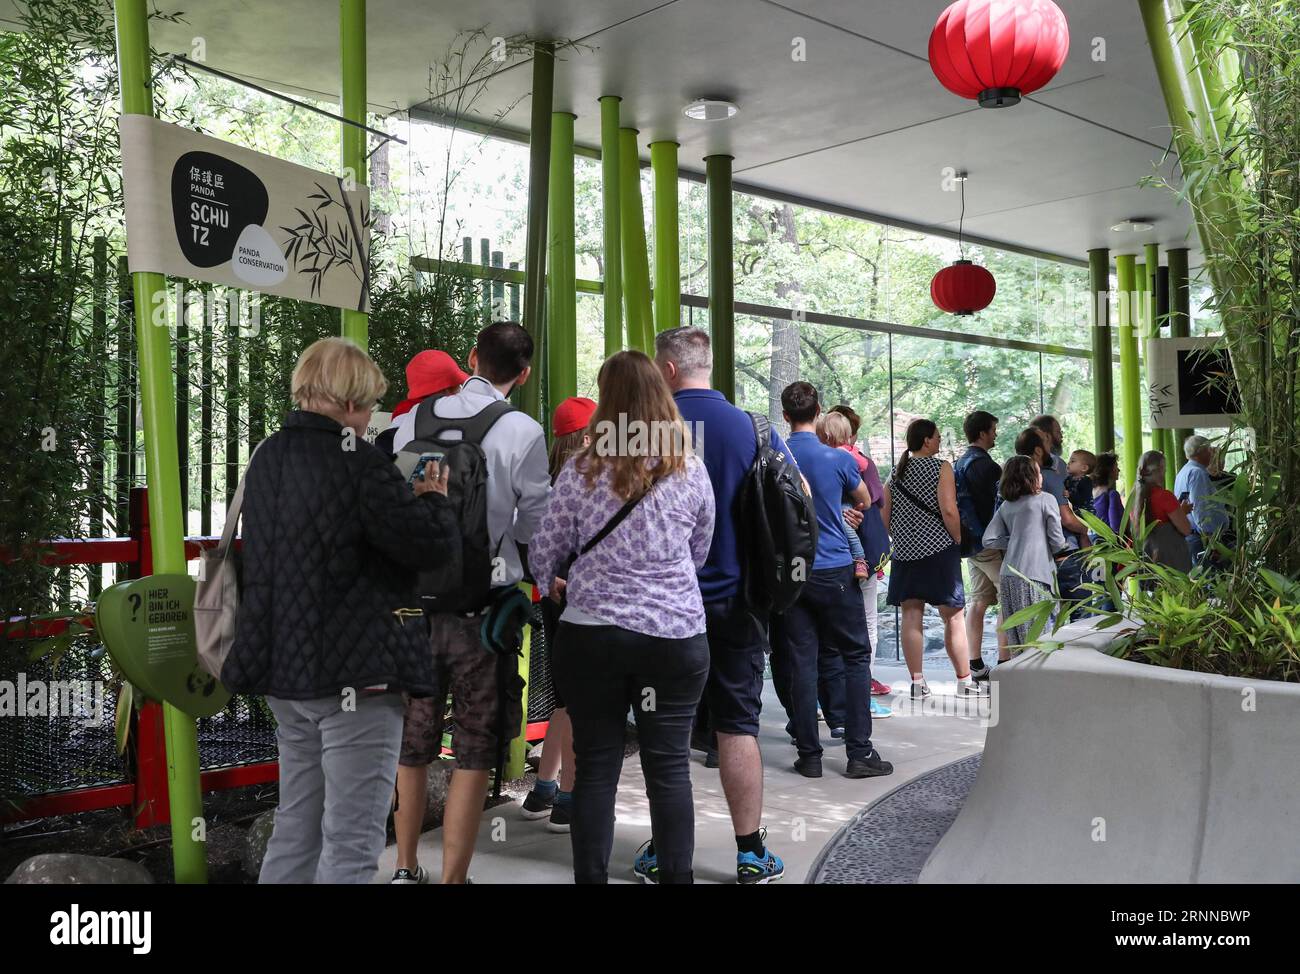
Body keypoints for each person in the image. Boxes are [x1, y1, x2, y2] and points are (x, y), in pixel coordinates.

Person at [221, 336, 457, 884]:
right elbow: (427, 550)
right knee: (350, 843)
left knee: (297, 823)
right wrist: (433, 500)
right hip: (358, 681)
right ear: (351, 402)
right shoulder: (361, 465)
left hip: (286, 676)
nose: (370, 415)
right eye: (370, 404)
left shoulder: (268, 456)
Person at [530, 350, 715, 885]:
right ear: (662, 396)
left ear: (606, 399)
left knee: (595, 768)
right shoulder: (690, 468)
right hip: (675, 637)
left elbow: (544, 552)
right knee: (669, 768)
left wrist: (558, 584)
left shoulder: (580, 470)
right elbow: (700, 550)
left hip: (592, 638)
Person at [390, 321, 550, 885]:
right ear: (524, 375)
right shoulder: (524, 431)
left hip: (413, 609)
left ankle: (406, 869)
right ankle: (454, 879)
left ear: (471, 357)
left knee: (412, 744)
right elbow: (534, 522)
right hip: (481, 613)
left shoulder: (408, 421)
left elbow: (397, 502)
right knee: (474, 749)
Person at [654, 326, 787, 883]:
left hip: (661, 607)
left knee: (664, 734)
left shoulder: (646, 430)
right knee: (738, 725)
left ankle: (666, 854)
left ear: (667, 369)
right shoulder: (757, 428)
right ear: (707, 364)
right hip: (737, 600)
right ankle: (751, 852)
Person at [769, 381, 893, 781]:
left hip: (790, 573)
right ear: (818, 411)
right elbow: (865, 499)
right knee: (855, 655)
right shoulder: (836, 459)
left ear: (785, 415)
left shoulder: (773, 459)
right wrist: (843, 509)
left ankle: (809, 755)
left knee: (801, 662)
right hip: (835, 567)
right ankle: (859, 752)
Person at [519, 396, 597, 834]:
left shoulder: (544, 484)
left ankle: (543, 788)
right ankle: (568, 799)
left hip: (551, 598)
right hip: (580, 601)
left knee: (564, 698)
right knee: (578, 701)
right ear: (587, 436)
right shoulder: (587, 485)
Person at [882, 418, 984, 699]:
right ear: (926, 440)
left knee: (911, 614)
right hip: (939, 550)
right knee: (953, 617)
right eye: (937, 436)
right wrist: (958, 539)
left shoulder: (895, 472)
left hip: (904, 553)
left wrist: (902, 537)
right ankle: (964, 683)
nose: (940, 441)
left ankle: (917, 684)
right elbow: (949, 510)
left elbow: (885, 516)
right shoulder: (940, 468)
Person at [815, 409, 893, 720]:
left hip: (828, 558)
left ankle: (830, 700)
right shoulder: (860, 462)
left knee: (829, 632)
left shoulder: (818, 462)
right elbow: (874, 498)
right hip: (859, 556)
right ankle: (859, 697)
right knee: (866, 624)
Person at [981, 456, 1068, 649]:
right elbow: (1057, 540)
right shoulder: (1046, 500)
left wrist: (1015, 541)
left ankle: (1018, 677)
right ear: (1032, 477)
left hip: (1009, 576)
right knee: (1039, 639)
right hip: (1035, 577)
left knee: (1017, 640)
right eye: (1038, 472)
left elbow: (988, 539)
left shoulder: (1006, 505)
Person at [953, 410, 1006, 676]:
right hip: (989, 542)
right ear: (983, 432)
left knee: (979, 600)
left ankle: (974, 663)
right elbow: (997, 506)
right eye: (994, 429)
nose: (996, 434)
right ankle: (1006, 661)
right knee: (1009, 595)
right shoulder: (987, 466)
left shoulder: (960, 462)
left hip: (970, 543)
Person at [1020, 425, 1090, 613]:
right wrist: (1085, 531)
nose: (1050, 442)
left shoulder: (1012, 479)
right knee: (1080, 611)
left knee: (1045, 617)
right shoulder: (1049, 477)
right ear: (1038, 450)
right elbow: (1066, 519)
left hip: (1029, 559)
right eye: (1046, 439)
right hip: (1063, 553)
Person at [373, 349, 467, 457]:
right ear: (445, 391)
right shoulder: (455, 428)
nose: (460, 391)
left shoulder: (390, 436)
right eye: (457, 386)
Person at [1127, 449, 1194, 572]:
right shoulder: (1164, 496)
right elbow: (1186, 529)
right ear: (1161, 468)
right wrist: (1182, 511)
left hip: (1147, 560)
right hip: (1170, 562)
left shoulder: (1133, 497)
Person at [1173, 434, 1227, 566]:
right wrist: (1211, 540)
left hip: (1191, 536)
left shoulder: (1183, 472)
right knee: (1210, 580)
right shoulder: (1198, 473)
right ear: (1201, 452)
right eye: (1209, 450)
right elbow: (1201, 508)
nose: (1211, 454)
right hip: (1201, 539)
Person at [1090, 452, 1124, 538]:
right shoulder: (1112, 495)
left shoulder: (1089, 493)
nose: (1119, 470)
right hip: (1109, 546)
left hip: (1092, 544)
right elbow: (1116, 527)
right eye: (1116, 467)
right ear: (1109, 470)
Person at [1064, 449, 1097, 518]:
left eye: (1072, 461)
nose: (1068, 463)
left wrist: (1070, 495)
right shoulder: (1068, 479)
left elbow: (1083, 499)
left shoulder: (1086, 481)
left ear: (1084, 468)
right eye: (1069, 460)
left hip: (1085, 514)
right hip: (1075, 512)